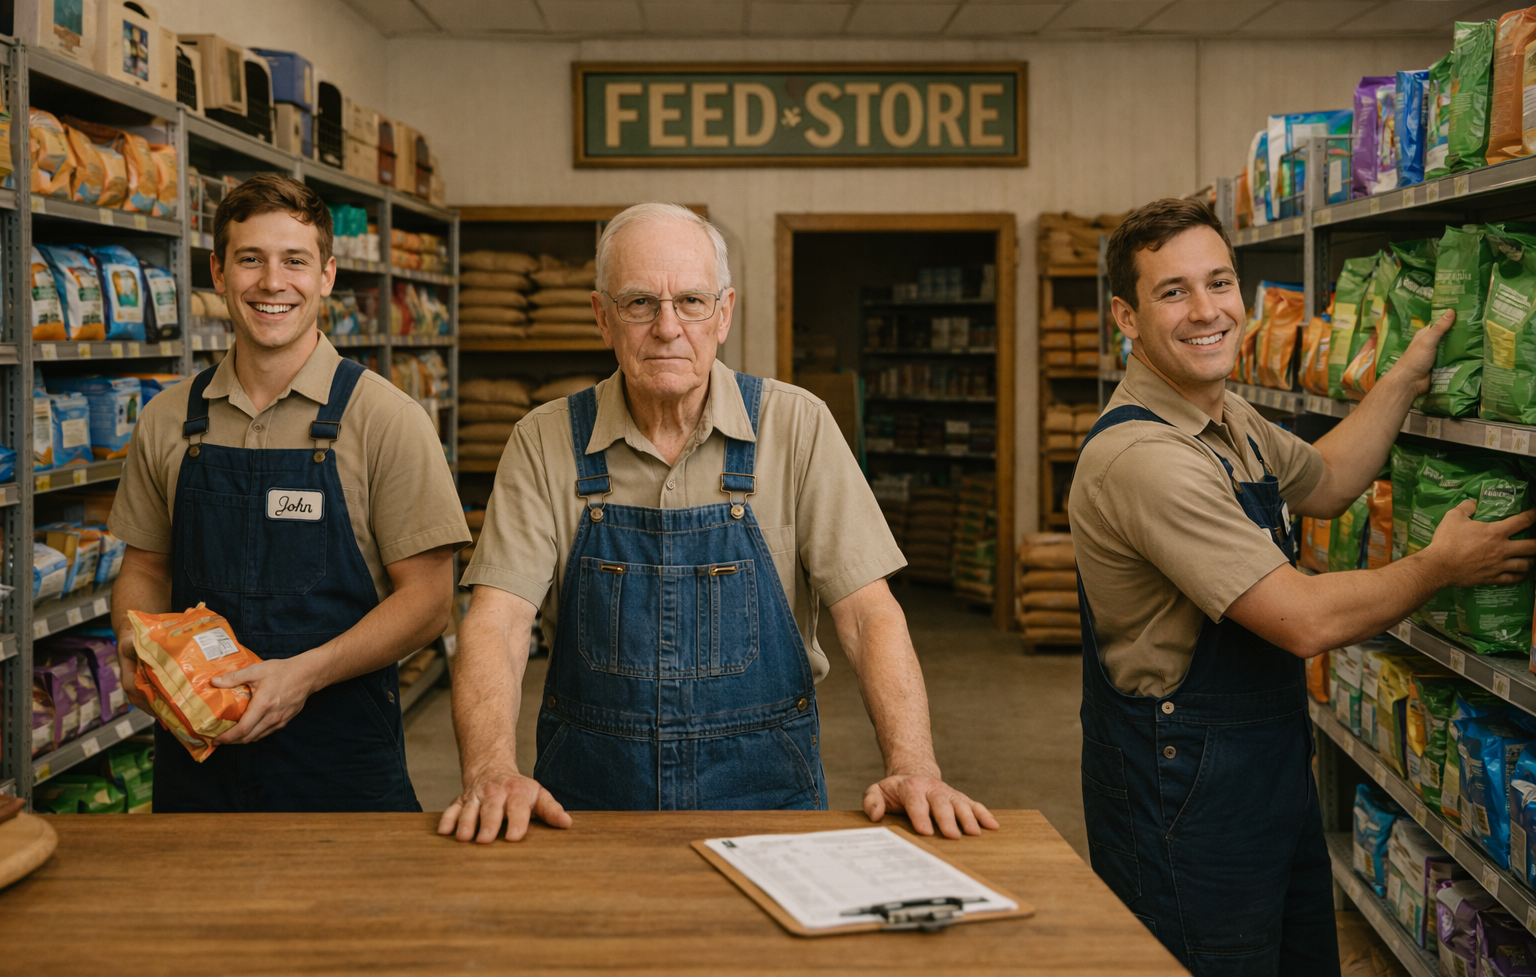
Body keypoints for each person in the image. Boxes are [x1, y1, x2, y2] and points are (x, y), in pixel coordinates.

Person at [1071, 197, 1536, 977]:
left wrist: (1405, 374)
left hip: (1262, 778)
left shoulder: (1226, 418)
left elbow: (1326, 480)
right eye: (1173, 292)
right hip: (1183, 796)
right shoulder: (1144, 458)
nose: (1208, 309)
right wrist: (1438, 566)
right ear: (1127, 317)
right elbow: (1302, 621)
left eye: (1220, 282)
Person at [440, 202, 996, 843]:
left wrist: (914, 765)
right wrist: (489, 769)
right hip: (587, 801)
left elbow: (869, 614)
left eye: (692, 302)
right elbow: (498, 620)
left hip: (766, 793)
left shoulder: (797, 426)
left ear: (724, 313)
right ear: (602, 317)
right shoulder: (543, 441)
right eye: (640, 303)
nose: (668, 327)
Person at [109, 174, 469, 812]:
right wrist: (136, 649)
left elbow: (429, 602)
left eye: (294, 261)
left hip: (339, 759)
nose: (272, 283)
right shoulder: (168, 419)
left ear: (327, 275)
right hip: (198, 752)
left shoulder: (385, 418)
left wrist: (302, 675)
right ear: (218, 273)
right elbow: (143, 568)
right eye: (251, 259)